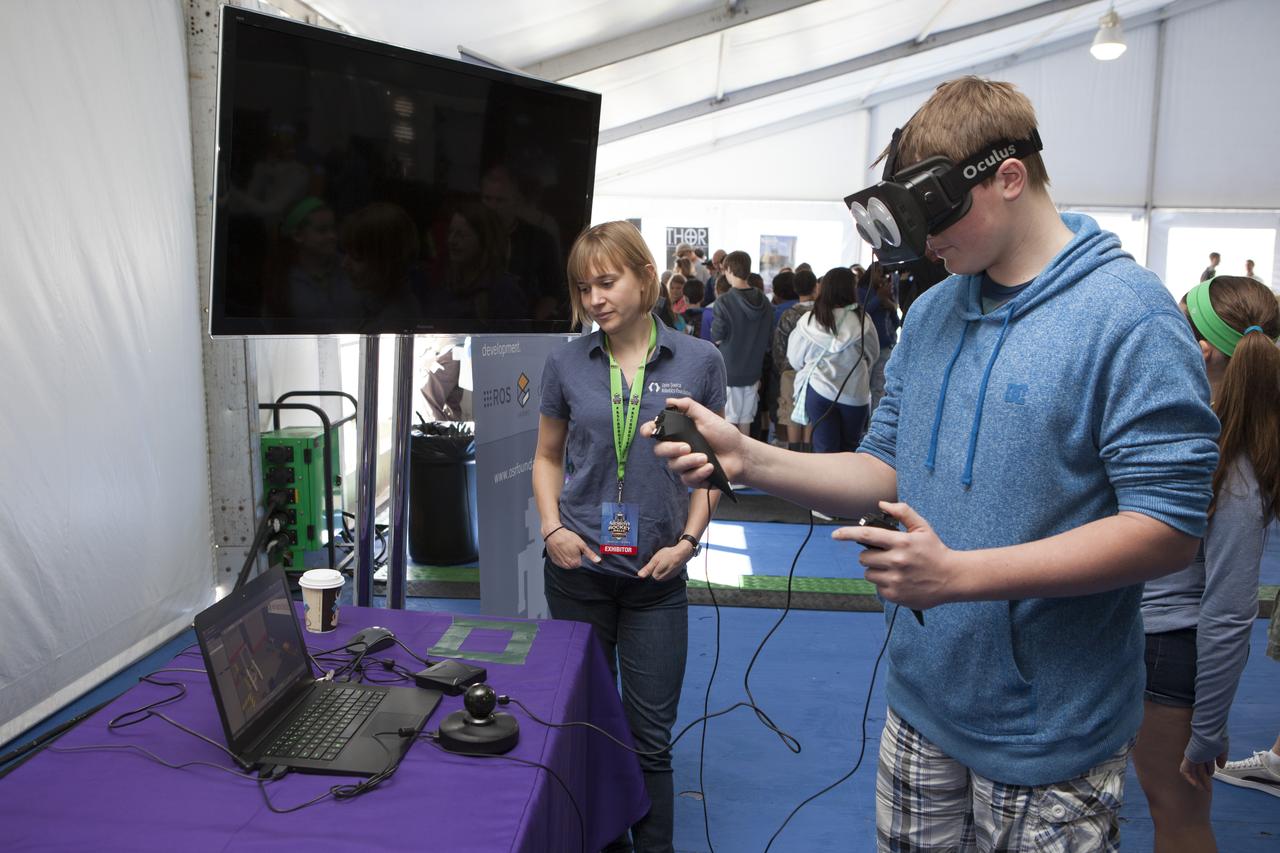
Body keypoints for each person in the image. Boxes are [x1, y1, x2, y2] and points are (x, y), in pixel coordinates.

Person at [643, 76, 1218, 851]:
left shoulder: (1128, 315)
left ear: (1009, 178)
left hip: (1049, 732)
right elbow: (886, 466)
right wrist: (750, 458)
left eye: (936, 217)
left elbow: (1169, 526)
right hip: (923, 701)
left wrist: (959, 576)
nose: (923, 245)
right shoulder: (940, 308)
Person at [532, 220, 726, 853]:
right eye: (584, 288)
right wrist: (552, 528)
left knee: (649, 736)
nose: (595, 300)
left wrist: (689, 543)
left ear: (646, 278)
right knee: (586, 723)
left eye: (607, 282)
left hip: (656, 576)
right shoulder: (565, 360)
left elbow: (714, 468)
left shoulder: (700, 361)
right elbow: (548, 457)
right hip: (577, 567)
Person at [1134, 274, 1280, 849]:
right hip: (1138, 642)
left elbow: (1229, 610)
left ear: (1198, 350)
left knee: (1179, 812)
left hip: (1170, 652)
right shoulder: (1185, 431)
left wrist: (1209, 724)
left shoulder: (1233, 473)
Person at [786, 267, 879, 453]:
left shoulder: (810, 320)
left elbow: (795, 359)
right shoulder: (863, 321)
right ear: (850, 289)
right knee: (851, 449)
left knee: (824, 450)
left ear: (823, 288)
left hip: (819, 391)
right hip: (855, 393)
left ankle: (823, 482)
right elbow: (873, 355)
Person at [712, 251, 773, 435]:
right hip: (754, 370)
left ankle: (732, 463)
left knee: (730, 419)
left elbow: (717, 336)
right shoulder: (764, 301)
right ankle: (745, 462)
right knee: (747, 419)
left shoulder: (724, 301)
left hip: (730, 370)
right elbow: (770, 336)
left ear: (730, 269)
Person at [773, 268, 819, 451]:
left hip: (790, 370)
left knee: (791, 410)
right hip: (816, 370)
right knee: (810, 410)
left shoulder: (789, 314)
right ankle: (808, 449)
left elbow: (779, 347)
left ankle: (794, 449)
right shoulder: (822, 312)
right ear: (815, 287)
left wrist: (782, 369)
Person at [855, 263, 903, 415]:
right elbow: (862, 314)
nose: (882, 277)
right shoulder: (861, 292)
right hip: (865, 349)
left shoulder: (885, 293)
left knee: (880, 390)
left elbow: (896, 323)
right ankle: (861, 427)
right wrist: (879, 299)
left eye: (884, 274)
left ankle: (873, 427)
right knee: (861, 389)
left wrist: (891, 306)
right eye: (879, 273)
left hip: (885, 347)